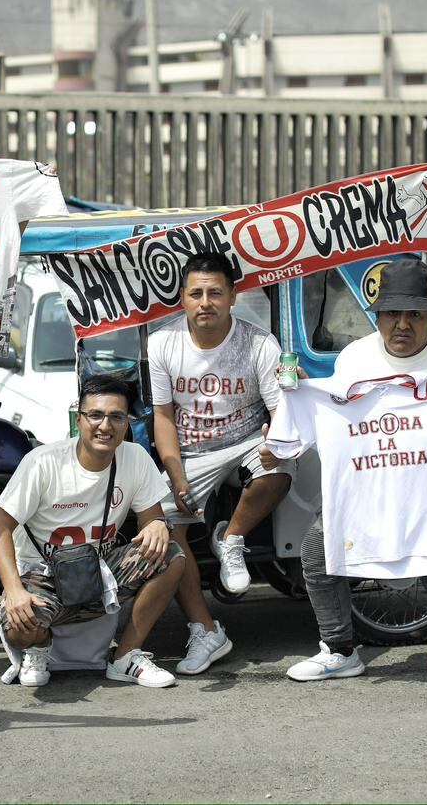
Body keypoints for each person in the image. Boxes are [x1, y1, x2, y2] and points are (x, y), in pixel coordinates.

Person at [276, 259, 427, 688]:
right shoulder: (356, 356)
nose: (402, 325)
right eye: (392, 314)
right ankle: (339, 650)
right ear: (378, 316)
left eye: (415, 315)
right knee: (317, 554)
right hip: (367, 488)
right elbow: (335, 415)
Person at [149, 251, 296, 675]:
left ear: (233, 296)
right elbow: (163, 418)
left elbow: (281, 410)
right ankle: (206, 629)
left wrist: (276, 440)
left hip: (246, 442)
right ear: (183, 299)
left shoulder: (260, 343)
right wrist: (175, 476)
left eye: (215, 292)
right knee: (163, 528)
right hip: (193, 452)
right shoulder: (162, 343)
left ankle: (230, 539)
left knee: (282, 467)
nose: (205, 302)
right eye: (196, 293)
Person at [0, 375, 185, 688]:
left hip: (99, 577)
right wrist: (14, 591)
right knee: (21, 627)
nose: (105, 426)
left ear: (127, 423)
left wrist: (159, 526)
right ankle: (38, 648)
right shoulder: (43, 463)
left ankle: (125, 658)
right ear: (78, 419)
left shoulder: (134, 458)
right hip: (43, 582)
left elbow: (153, 518)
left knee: (171, 556)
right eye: (95, 415)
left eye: (116, 417)